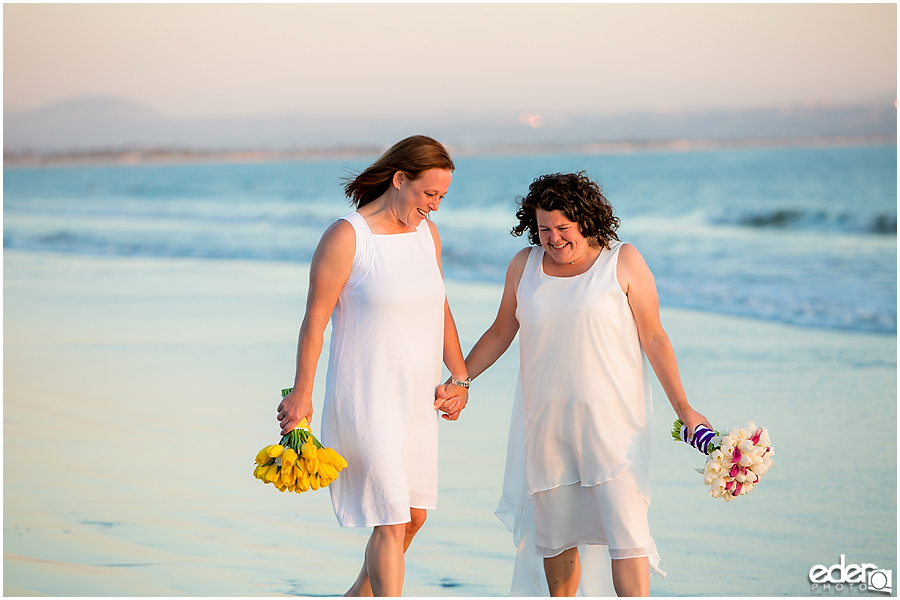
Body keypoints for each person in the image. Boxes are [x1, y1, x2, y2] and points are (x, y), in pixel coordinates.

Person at [454, 171, 708, 596]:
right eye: (543, 228)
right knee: (556, 539)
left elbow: (654, 337)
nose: (553, 239)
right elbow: (501, 330)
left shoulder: (622, 261)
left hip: (614, 428)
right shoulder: (524, 265)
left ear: (586, 221)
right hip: (546, 425)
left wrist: (684, 409)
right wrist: (459, 380)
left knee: (627, 534)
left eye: (562, 228)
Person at [276, 135, 470, 597]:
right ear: (400, 179)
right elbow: (314, 321)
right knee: (391, 517)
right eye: (429, 194)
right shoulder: (348, 236)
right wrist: (301, 394)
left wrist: (459, 378)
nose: (435, 207)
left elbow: (440, 307)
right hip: (366, 398)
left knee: (414, 515)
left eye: (442, 197)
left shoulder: (427, 234)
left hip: (416, 397)